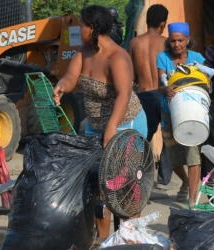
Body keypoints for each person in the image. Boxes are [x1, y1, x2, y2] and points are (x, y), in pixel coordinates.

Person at [52, 5, 147, 238]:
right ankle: (105, 240)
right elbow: (71, 77)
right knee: (98, 186)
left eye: (81, 24)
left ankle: (127, 239)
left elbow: (124, 94)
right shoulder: (83, 52)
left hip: (125, 123)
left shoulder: (118, 57)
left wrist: (112, 128)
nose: (78, 28)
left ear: (91, 28)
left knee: (124, 186)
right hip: (95, 125)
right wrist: (62, 86)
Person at [129, 4, 178, 191]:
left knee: (142, 138)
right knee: (169, 138)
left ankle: (135, 177)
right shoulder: (167, 43)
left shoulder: (134, 43)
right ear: (163, 23)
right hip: (164, 95)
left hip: (143, 95)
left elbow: (131, 75)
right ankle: (165, 180)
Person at [157, 22, 206, 208]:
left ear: (188, 40)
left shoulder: (197, 58)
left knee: (193, 156)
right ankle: (185, 181)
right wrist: (166, 88)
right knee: (174, 157)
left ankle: (192, 203)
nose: (176, 44)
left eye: (180, 40)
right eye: (173, 41)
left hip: (193, 112)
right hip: (170, 112)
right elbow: (159, 85)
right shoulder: (163, 58)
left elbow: (206, 81)